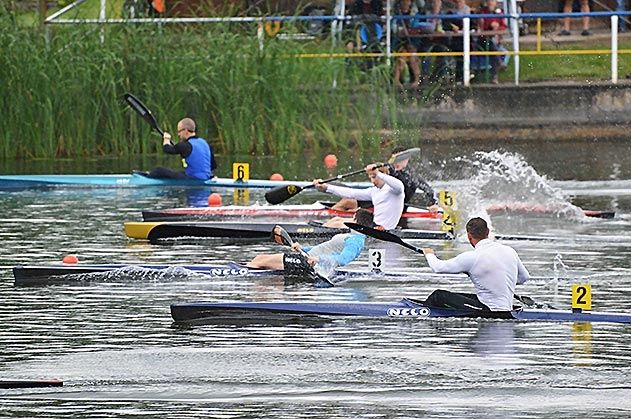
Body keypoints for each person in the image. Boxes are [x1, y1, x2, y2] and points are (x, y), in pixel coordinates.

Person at [421, 217, 530, 316]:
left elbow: (438, 268)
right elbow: (524, 277)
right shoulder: (510, 251)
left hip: (490, 311)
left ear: (469, 236)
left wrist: (429, 254)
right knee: (466, 296)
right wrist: (500, 280)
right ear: (488, 232)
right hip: (506, 307)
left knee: (438, 296)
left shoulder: (472, 257)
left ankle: (422, 313)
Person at [246, 209, 374, 276]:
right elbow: (323, 248)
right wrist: (303, 248)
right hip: (306, 258)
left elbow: (343, 259)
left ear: (356, 220)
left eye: (352, 217)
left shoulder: (356, 240)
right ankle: (247, 269)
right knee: (260, 259)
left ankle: (242, 274)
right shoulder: (351, 236)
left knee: (260, 260)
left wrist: (318, 259)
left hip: (310, 264)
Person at [331, 147, 438, 213]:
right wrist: (373, 167)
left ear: (407, 159)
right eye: (395, 159)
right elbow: (380, 169)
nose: (397, 163)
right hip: (381, 201)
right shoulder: (390, 170)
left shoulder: (412, 176)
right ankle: (347, 214)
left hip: (390, 207)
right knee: (349, 201)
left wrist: (433, 204)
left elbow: (429, 190)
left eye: (400, 159)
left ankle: (330, 221)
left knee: (347, 201)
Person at [315, 163, 405, 230]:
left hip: (382, 229)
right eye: (370, 177)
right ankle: (320, 230)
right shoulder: (374, 191)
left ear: (385, 174)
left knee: (337, 225)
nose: (372, 181)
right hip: (373, 225)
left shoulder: (395, 190)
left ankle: (318, 233)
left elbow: (399, 185)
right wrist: (326, 187)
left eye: (374, 177)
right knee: (336, 219)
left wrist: (377, 173)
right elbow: (351, 193)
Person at [148, 117, 217, 180]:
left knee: (158, 170)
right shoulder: (204, 143)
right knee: (179, 172)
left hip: (193, 178)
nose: (178, 134)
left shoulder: (185, 145)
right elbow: (213, 166)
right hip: (206, 177)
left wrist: (166, 139)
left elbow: (167, 149)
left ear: (186, 131)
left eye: (179, 131)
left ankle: (146, 180)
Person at [476, 0, 508, 84]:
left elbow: (504, 26)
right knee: (492, 48)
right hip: (483, 40)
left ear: (495, 3)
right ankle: (498, 67)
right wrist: (490, 26)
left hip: (495, 39)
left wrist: (497, 27)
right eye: (489, 1)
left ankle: (495, 75)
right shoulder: (482, 12)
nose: (490, 3)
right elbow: (481, 27)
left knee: (493, 50)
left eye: (492, 1)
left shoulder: (499, 13)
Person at [392, 0, 422, 87]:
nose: (405, 3)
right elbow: (393, 28)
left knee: (413, 58)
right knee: (402, 56)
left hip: (412, 40)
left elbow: (416, 27)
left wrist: (409, 31)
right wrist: (400, 30)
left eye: (407, 1)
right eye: (404, 1)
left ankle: (417, 80)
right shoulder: (396, 14)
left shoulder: (415, 14)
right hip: (400, 40)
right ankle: (396, 80)